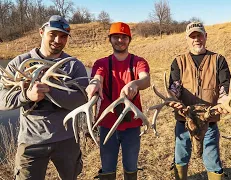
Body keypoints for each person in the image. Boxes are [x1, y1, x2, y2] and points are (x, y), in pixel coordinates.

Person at [0, 15, 88, 179]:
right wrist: (27, 95)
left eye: (63, 36)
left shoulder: (74, 65)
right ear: (41, 32)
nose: (57, 40)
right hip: (31, 142)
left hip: (67, 139)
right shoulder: (20, 62)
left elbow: (82, 100)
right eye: (52, 34)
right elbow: (1, 99)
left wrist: (49, 91)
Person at [85, 22, 150, 180]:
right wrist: (93, 85)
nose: (120, 40)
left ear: (129, 40)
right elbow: (97, 78)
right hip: (107, 125)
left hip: (132, 126)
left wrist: (135, 83)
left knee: (131, 167)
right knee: (107, 168)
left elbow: (146, 80)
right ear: (110, 39)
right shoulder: (101, 63)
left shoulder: (138, 62)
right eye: (116, 37)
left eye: (123, 37)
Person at [168, 22, 231, 180]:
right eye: (192, 36)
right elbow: (175, 87)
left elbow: (225, 85)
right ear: (187, 39)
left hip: (209, 121)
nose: (196, 39)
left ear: (205, 37)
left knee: (212, 159)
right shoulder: (179, 61)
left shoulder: (218, 60)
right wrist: (173, 99)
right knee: (181, 156)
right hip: (185, 120)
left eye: (199, 35)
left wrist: (223, 100)